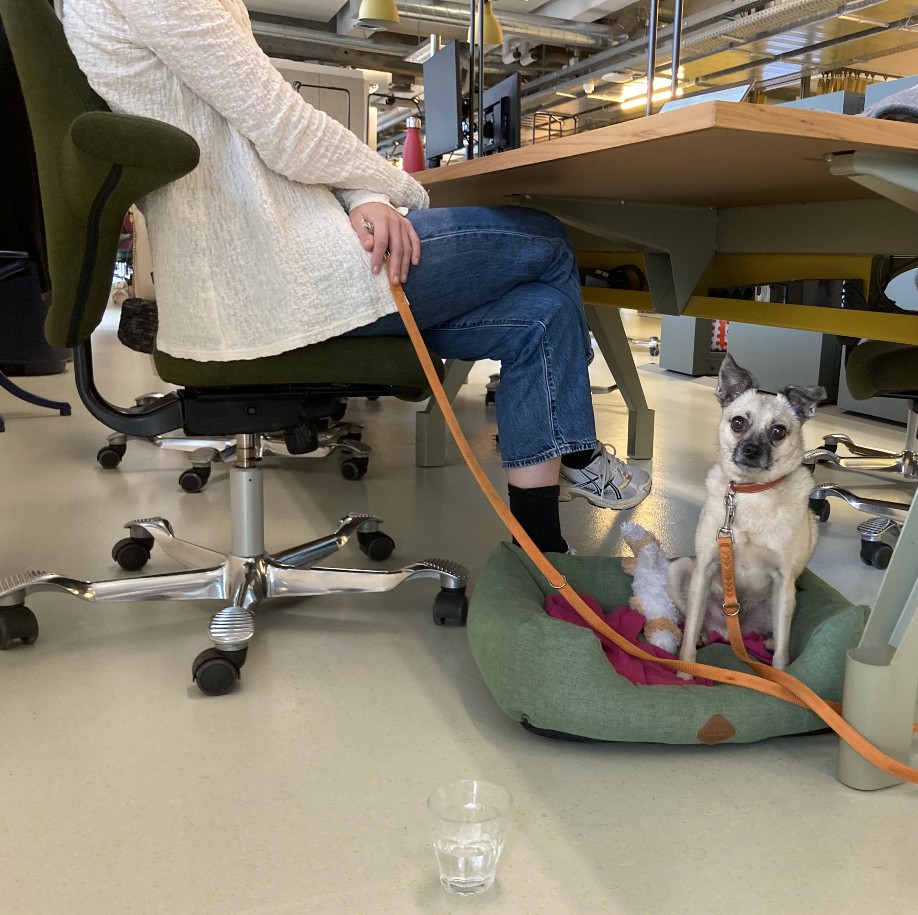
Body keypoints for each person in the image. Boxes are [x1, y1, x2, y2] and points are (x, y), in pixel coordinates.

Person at [61, 0, 650, 555]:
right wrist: (396, 189)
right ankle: (575, 450)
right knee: (545, 239)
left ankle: (541, 550)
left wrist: (366, 194)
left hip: (277, 266)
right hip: (277, 274)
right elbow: (280, 125)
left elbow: (269, 134)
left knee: (540, 317)